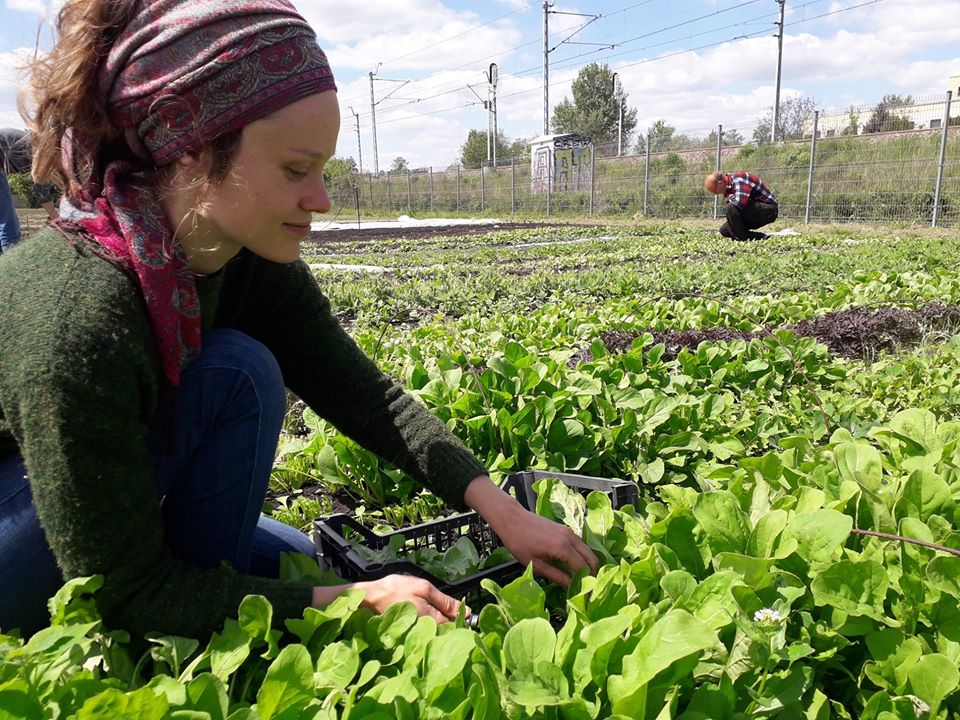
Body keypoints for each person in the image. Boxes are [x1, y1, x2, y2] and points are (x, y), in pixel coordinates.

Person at [0, 0, 598, 639]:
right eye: (295, 169)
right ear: (191, 148)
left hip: (101, 491)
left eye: (322, 168)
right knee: (240, 375)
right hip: (25, 511)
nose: (321, 199)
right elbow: (122, 596)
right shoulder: (75, 314)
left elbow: (364, 395)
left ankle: (209, 596)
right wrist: (350, 603)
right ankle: (188, 627)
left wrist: (503, 512)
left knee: (297, 557)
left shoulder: (238, 255)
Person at [0, 129, 58, 253]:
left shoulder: (32, 143)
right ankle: (12, 261)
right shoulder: (33, 150)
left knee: (4, 218)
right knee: (9, 223)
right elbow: (40, 188)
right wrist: (55, 217)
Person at [704, 170, 778, 241]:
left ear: (720, 183)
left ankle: (742, 237)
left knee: (731, 207)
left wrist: (729, 198)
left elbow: (740, 203)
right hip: (752, 211)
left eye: (714, 190)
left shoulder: (738, 178)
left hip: (769, 210)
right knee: (724, 230)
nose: (715, 193)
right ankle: (760, 237)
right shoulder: (728, 189)